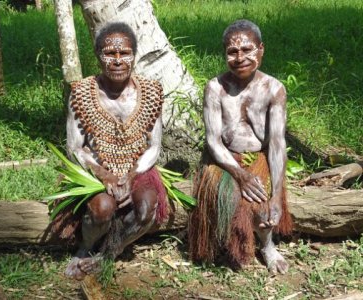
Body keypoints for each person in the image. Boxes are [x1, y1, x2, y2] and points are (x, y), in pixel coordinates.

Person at [64, 22, 167, 280]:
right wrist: (103, 174)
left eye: (125, 53)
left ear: (134, 55)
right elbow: (74, 148)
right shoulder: (82, 94)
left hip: (137, 167)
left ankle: (109, 253)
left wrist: (131, 176)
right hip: (95, 170)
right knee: (103, 209)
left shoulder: (151, 93)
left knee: (146, 210)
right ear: (98, 55)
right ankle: (85, 248)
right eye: (110, 53)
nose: (118, 60)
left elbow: (154, 146)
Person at [188, 19, 293, 274]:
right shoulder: (215, 88)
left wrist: (277, 194)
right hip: (223, 158)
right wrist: (240, 174)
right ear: (225, 54)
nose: (240, 57)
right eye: (232, 52)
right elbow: (213, 140)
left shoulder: (274, 89)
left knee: (264, 205)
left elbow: (277, 143)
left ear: (261, 49)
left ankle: (267, 246)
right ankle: (227, 243)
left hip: (259, 155)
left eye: (247, 50)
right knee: (233, 200)